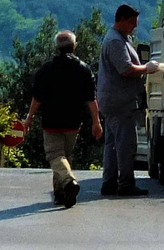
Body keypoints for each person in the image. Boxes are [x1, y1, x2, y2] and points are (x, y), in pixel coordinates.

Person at [26, 30, 102, 208]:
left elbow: (37, 97)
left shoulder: (47, 69)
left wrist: (29, 117)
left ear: (56, 47)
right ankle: (61, 194)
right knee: (64, 156)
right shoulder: (83, 69)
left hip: (51, 121)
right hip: (73, 122)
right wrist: (96, 121)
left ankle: (69, 181)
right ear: (74, 46)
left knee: (55, 155)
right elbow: (91, 99)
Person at [96, 4, 164, 197]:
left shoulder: (119, 39)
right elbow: (126, 69)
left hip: (112, 101)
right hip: (120, 102)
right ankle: (125, 183)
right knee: (126, 144)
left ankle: (109, 182)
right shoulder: (116, 42)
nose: (134, 27)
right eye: (132, 23)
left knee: (112, 144)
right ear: (122, 20)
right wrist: (148, 68)